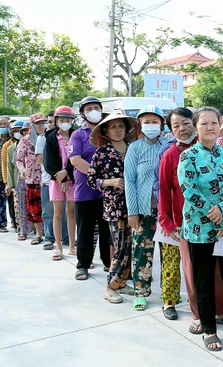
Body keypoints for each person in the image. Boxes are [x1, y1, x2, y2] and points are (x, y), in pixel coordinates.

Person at [178, 107, 223, 351]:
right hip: (200, 228)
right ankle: (209, 329)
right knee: (204, 280)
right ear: (196, 128)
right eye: (204, 123)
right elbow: (189, 190)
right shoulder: (187, 157)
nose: (210, 127)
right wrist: (214, 214)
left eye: (213, 123)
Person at [156, 107, 216, 324]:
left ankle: (218, 313)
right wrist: (167, 222)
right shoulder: (170, 155)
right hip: (186, 225)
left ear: (195, 123)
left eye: (185, 123)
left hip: (216, 222)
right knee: (193, 274)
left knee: (215, 273)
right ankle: (199, 315)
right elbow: (163, 190)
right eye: (175, 126)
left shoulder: (212, 150)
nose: (182, 129)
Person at [88, 112, 138, 304]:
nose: (118, 130)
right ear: (106, 131)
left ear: (126, 130)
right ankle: (110, 287)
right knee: (120, 248)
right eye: (113, 127)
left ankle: (122, 283)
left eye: (121, 126)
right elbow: (91, 180)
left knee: (132, 246)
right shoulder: (101, 153)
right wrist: (109, 181)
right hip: (115, 207)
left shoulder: (134, 149)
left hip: (136, 205)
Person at [125, 105, 169, 311]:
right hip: (143, 210)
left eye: (155, 121)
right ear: (140, 125)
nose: (151, 125)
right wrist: (132, 211)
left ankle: (169, 292)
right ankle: (140, 292)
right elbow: (129, 181)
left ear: (162, 124)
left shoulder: (169, 145)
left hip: (167, 210)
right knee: (142, 252)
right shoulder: (134, 148)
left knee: (169, 251)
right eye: (146, 122)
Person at [69, 96, 111, 280]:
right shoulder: (78, 134)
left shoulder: (108, 131)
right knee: (85, 230)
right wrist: (98, 177)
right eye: (89, 108)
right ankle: (83, 265)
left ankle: (109, 263)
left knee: (107, 230)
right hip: (85, 191)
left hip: (108, 192)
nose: (93, 111)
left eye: (96, 107)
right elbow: (75, 160)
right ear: (82, 114)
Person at [44, 106, 77, 262]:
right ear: (56, 121)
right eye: (62, 120)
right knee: (57, 213)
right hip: (57, 180)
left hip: (74, 179)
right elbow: (48, 162)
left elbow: (78, 157)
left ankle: (71, 246)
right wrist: (61, 178)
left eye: (68, 120)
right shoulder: (50, 138)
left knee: (71, 212)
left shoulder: (76, 136)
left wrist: (67, 172)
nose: (65, 123)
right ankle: (58, 247)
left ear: (72, 121)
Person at [15, 117, 45, 245]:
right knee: (35, 208)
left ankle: (52, 233)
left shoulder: (48, 138)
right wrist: (22, 170)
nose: (41, 126)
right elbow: (18, 159)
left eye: (43, 123)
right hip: (32, 179)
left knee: (50, 209)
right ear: (32, 125)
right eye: (38, 123)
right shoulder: (25, 140)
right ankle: (38, 234)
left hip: (48, 178)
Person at [37, 111, 64, 251]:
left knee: (66, 212)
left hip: (67, 180)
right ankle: (49, 238)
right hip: (49, 181)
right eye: (49, 122)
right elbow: (42, 159)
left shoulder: (69, 136)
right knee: (49, 212)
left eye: (54, 121)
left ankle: (65, 238)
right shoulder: (43, 138)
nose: (52, 124)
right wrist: (58, 172)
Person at [3, 120, 23, 236]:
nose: (17, 133)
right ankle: (18, 226)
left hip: (29, 180)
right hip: (16, 180)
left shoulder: (31, 144)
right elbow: (8, 167)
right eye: (14, 131)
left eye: (19, 130)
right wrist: (8, 184)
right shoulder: (10, 148)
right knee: (16, 206)